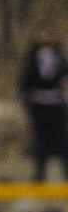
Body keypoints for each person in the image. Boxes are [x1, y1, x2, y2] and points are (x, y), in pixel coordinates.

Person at [18, 31, 68, 180]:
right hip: (39, 104)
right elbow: (25, 79)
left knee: (61, 138)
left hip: (57, 103)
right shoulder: (32, 59)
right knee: (40, 139)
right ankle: (40, 171)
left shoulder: (60, 58)